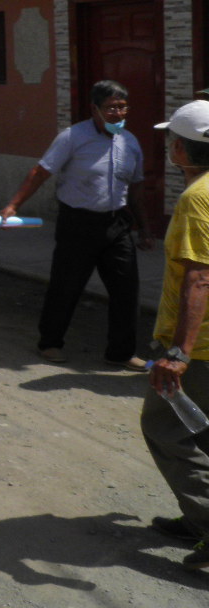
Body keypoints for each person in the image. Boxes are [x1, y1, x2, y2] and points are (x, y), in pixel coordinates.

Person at [0, 79, 148, 368]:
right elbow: (40, 172)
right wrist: (13, 204)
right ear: (95, 109)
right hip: (78, 224)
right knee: (66, 286)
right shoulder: (72, 137)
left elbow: (137, 187)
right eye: (111, 108)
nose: (118, 113)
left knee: (127, 290)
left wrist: (145, 228)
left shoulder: (130, 141)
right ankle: (51, 343)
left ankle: (121, 352)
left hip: (117, 224)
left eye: (122, 107)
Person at [143, 100, 209, 570]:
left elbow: (199, 278)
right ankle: (196, 516)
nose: (168, 145)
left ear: (182, 149)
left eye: (171, 140)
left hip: (202, 346)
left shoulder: (196, 199)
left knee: (167, 430)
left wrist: (179, 353)